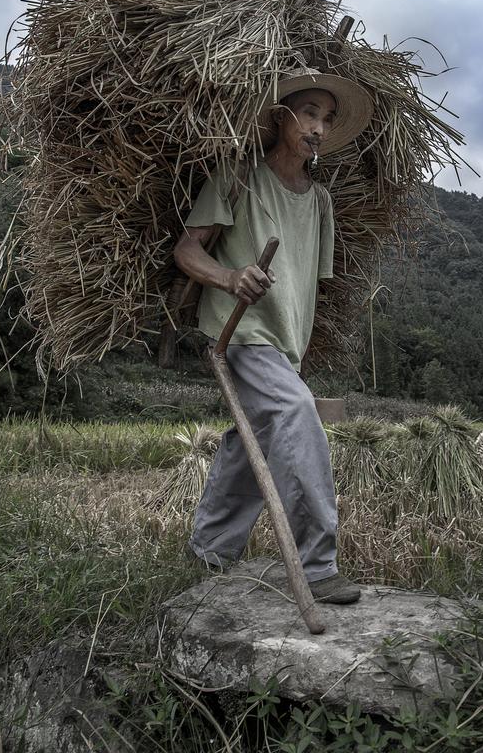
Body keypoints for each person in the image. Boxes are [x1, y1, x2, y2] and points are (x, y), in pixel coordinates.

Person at [173, 68, 373, 604]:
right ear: (280, 116)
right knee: (295, 413)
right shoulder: (238, 178)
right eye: (309, 112)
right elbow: (187, 250)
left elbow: (309, 280)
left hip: (287, 342)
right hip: (237, 332)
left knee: (254, 435)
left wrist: (299, 340)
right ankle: (318, 565)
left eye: (327, 119)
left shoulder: (320, 202)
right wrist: (231, 276)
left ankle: (211, 549)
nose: (319, 128)